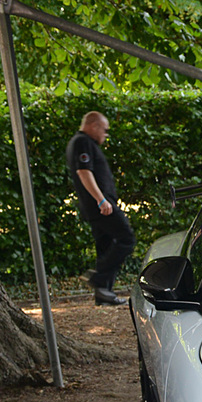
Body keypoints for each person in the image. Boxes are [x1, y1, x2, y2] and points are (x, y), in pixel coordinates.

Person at [64, 110, 132, 306]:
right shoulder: (82, 142)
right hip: (101, 206)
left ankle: (104, 294)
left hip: (96, 206)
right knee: (127, 238)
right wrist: (101, 200)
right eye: (104, 130)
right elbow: (84, 171)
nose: (105, 134)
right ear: (93, 126)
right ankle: (98, 278)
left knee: (105, 244)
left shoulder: (82, 142)